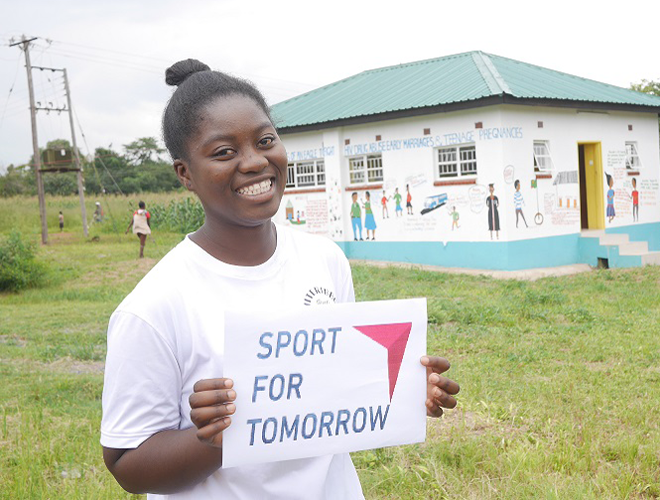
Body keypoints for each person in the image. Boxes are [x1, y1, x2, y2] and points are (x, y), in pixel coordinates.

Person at [100, 59, 459, 499]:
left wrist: (399, 391)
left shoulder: (324, 260)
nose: (254, 162)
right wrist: (215, 436)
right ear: (185, 174)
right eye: (223, 152)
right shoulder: (155, 306)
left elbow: (336, 390)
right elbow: (127, 465)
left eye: (265, 140)